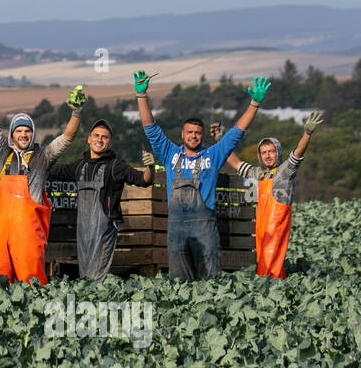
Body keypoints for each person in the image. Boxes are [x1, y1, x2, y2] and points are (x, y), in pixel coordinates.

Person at [135, 70, 270, 281]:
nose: (193, 136)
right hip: (177, 228)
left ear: (203, 135)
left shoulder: (213, 155)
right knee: (179, 281)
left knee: (210, 281)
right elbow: (150, 128)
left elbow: (236, 133)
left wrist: (254, 104)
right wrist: (141, 97)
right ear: (182, 134)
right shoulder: (169, 153)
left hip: (205, 228)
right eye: (189, 132)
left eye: (197, 133)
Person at [0, 71, 84, 285]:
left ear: (32, 134)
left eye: (27, 131)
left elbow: (67, 138)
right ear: (12, 135)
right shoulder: (3, 153)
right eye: (19, 131)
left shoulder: (42, 157)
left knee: (32, 284)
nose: (23, 135)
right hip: (2, 233)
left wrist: (77, 113)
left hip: (29, 235)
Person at [214, 111, 325, 279]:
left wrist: (307, 134)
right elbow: (236, 163)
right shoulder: (257, 173)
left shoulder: (285, 171)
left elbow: (298, 154)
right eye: (264, 152)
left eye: (271, 151)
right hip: (261, 229)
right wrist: (221, 141)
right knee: (262, 265)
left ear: (278, 152)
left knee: (273, 266)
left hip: (277, 228)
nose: (267, 155)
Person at [47, 119, 156, 281]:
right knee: (85, 274)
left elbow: (143, 180)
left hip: (104, 231)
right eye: (96, 136)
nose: (99, 139)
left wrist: (151, 168)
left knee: (98, 276)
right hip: (83, 231)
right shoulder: (79, 167)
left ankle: (98, 301)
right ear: (88, 139)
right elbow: (53, 171)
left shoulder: (115, 167)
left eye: (104, 137)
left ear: (110, 143)